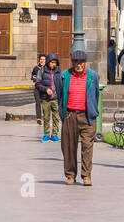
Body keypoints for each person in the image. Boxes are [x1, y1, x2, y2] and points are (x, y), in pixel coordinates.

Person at [58, 50, 99, 184]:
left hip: (87, 117)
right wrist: (62, 114)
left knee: (87, 147)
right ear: (72, 62)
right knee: (68, 146)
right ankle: (70, 175)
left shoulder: (93, 76)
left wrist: (92, 110)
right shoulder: (64, 76)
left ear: (85, 63)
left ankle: (86, 175)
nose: (78, 64)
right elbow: (60, 96)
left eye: (81, 62)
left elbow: (96, 95)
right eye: (75, 62)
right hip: (70, 115)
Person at [36, 53, 62, 142]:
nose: (53, 64)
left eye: (55, 62)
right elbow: (37, 84)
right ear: (48, 62)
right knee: (46, 117)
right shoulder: (42, 71)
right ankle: (46, 134)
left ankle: (54, 134)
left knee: (56, 117)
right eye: (51, 62)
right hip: (45, 98)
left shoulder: (59, 71)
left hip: (55, 98)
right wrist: (46, 89)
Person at [30, 53, 47, 124]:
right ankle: (39, 118)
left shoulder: (47, 68)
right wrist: (33, 77)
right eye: (41, 59)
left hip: (44, 88)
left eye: (43, 59)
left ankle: (46, 117)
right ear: (39, 60)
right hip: (37, 88)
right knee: (38, 102)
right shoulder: (36, 68)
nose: (42, 61)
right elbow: (32, 76)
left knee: (45, 104)